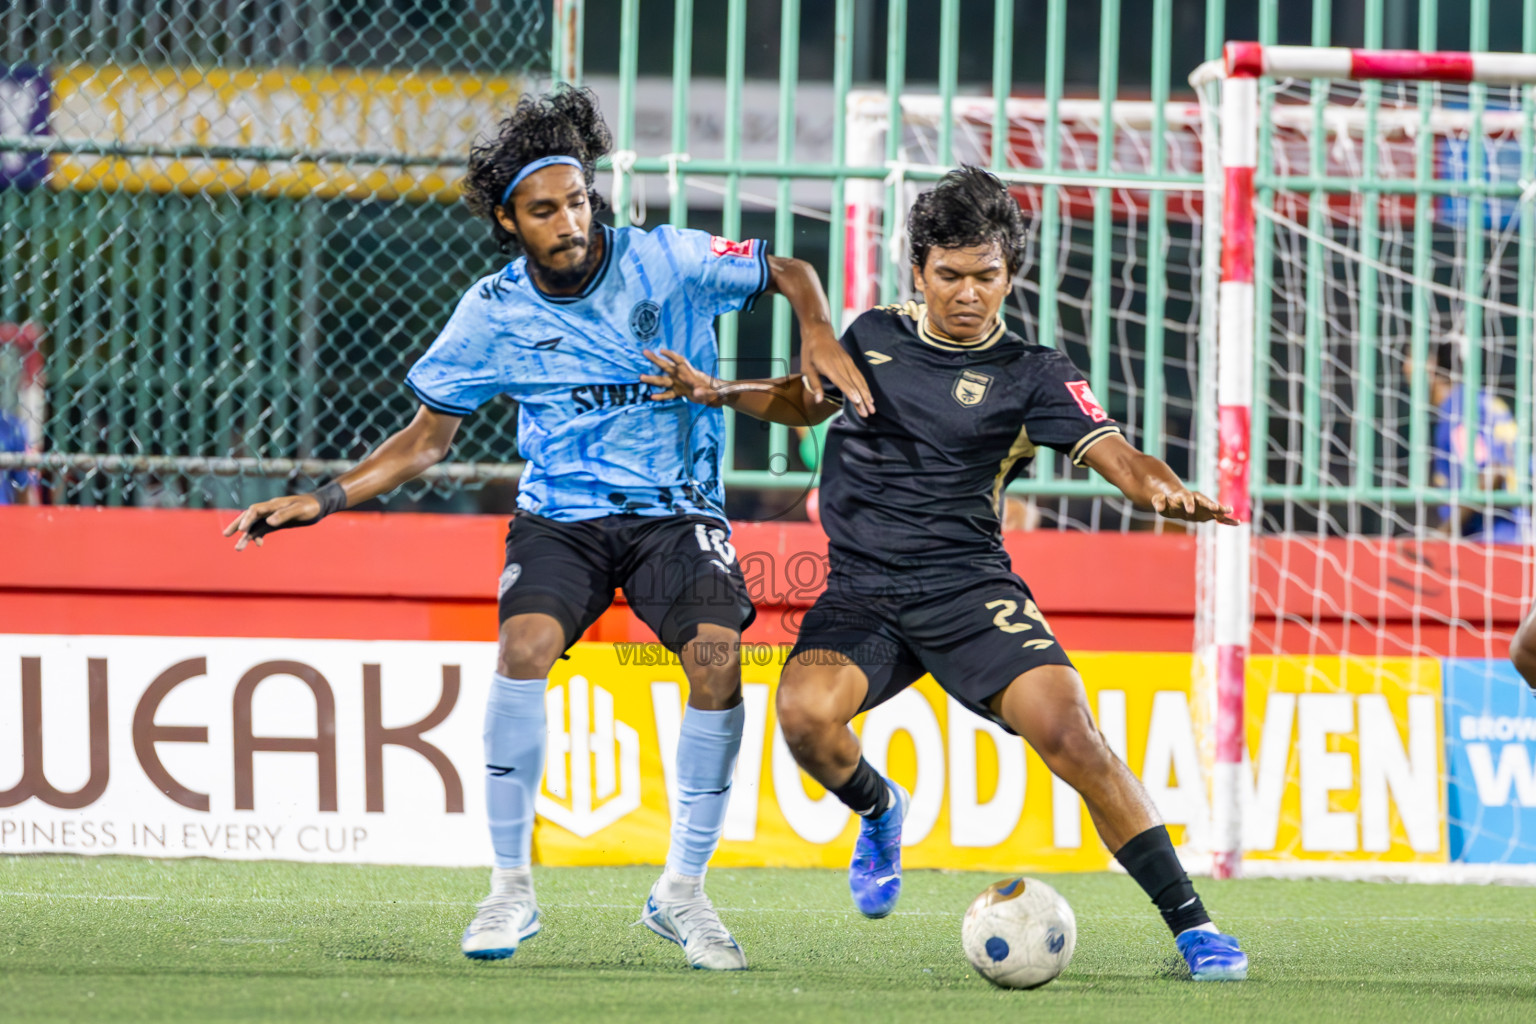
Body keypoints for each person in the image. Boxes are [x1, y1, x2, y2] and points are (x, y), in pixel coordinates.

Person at [223, 86, 868, 970]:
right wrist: (326, 497)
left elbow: (789, 271)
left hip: (676, 513)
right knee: (523, 649)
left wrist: (818, 335)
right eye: (543, 209)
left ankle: (683, 893)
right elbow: (425, 440)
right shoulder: (491, 312)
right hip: (560, 519)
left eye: (576, 200)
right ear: (508, 220)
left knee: (716, 661)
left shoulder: (666, 260)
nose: (568, 220)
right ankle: (509, 889)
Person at [642, 166, 1249, 982]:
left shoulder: (1033, 370)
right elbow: (805, 401)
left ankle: (1195, 929)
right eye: (950, 275)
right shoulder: (870, 336)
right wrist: (719, 392)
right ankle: (880, 809)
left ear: (1010, 275)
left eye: (987, 276)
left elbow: (1118, 455)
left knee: (1074, 736)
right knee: (804, 720)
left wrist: (1157, 487)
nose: (969, 294)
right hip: (864, 594)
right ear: (919, 271)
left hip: (971, 594)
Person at [1418, 341, 1530, 542]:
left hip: (1498, 540)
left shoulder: (1456, 410)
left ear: (1431, 365)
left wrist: (1443, 534)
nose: (1404, 367)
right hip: (1522, 531)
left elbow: (1491, 473)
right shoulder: (1484, 401)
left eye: (1409, 358)